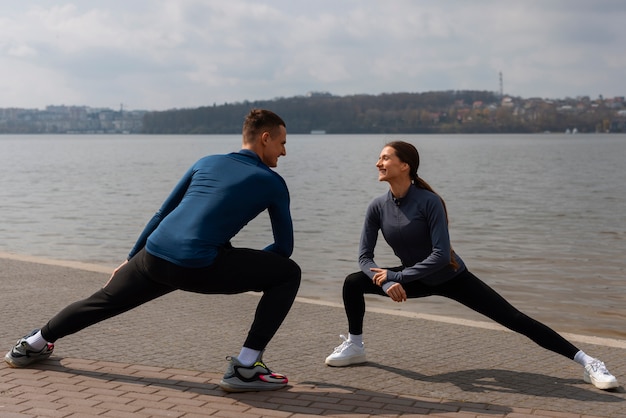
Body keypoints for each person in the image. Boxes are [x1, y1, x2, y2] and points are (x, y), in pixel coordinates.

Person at [5, 109, 301, 393]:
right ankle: (246, 367)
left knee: (102, 301)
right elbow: (283, 249)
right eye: (282, 143)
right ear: (265, 138)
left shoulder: (206, 162)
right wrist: (251, 269)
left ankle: (33, 343)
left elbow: (162, 214)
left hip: (154, 254)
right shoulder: (272, 182)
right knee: (288, 274)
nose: (284, 152)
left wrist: (131, 258)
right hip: (198, 264)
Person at [324, 140, 619, 391]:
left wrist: (398, 274)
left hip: (452, 277)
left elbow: (441, 255)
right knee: (353, 282)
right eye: (379, 158)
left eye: (385, 157)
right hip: (414, 277)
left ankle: (589, 362)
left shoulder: (429, 202)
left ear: (405, 166)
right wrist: (387, 281)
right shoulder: (377, 206)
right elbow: (365, 258)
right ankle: (355, 346)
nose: (378, 163)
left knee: (514, 319)